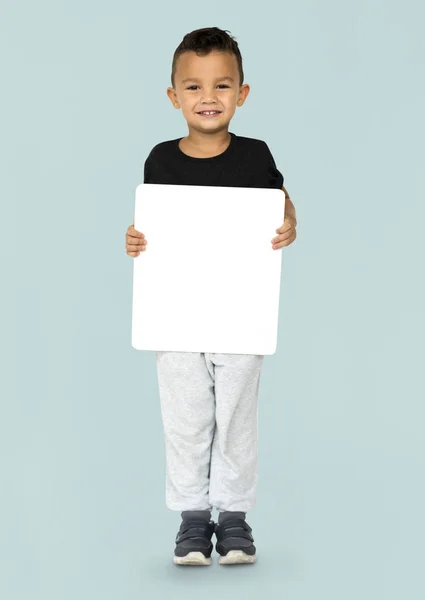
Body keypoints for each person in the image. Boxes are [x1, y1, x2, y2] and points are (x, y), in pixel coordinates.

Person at [125, 27, 297, 566]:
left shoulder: (255, 155)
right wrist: (134, 238)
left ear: (241, 93)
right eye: (194, 87)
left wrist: (290, 221)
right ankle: (193, 519)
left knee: (237, 414)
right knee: (186, 414)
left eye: (221, 86)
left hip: (241, 309)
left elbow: (280, 203)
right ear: (174, 96)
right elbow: (156, 225)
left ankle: (236, 517)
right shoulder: (160, 159)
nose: (208, 99)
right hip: (174, 311)